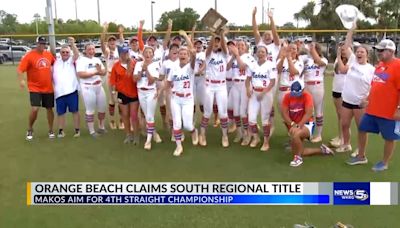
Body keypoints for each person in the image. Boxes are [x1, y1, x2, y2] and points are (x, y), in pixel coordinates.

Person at [347, 39, 400, 171]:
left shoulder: (398, 66)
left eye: (382, 50)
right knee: (362, 129)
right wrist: (367, 98)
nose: (379, 53)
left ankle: (385, 162)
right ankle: (361, 156)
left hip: (389, 112)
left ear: (391, 51)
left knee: (389, 137)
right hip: (372, 109)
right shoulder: (380, 65)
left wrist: (399, 109)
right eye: (378, 50)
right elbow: (375, 85)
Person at [336, 25, 375, 153]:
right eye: (357, 51)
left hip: (360, 103)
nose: (359, 53)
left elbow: (374, 86)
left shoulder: (371, 69)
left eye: (362, 52)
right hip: (347, 100)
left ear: (367, 55)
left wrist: (367, 99)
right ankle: (346, 144)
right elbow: (346, 46)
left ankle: (360, 149)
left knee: (361, 128)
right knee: (344, 124)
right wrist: (351, 30)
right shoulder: (352, 61)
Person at [281, 80, 334, 167]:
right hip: (294, 124)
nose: (295, 96)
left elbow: (308, 113)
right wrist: (292, 124)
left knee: (296, 135)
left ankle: (298, 159)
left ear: (302, 90)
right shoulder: (287, 96)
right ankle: (322, 150)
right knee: (301, 151)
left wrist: (298, 126)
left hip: (307, 124)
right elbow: (284, 113)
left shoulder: (307, 96)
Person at [166, 33, 199, 156]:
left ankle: (194, 131)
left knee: (187, 124)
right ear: (178, 55)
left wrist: (186, 37)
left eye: (185, 54)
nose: (183, 55)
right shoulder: (174, 67)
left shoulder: (190, 67)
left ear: (188, 56)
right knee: (177, 124)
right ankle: (179, 146)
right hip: (176, 98)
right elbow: (168, 82)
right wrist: (160, 92)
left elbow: (193, 57)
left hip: (187, 99)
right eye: (181, 53)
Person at [17, 36, 55, 140]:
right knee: (35, 108)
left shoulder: (48, 55)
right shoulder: (29, 56)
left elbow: (55, 64)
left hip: (48, 87)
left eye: (43, 43)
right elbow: (20, 69)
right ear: (36, 44)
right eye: (40, 43)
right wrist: (21, 80)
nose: (42, 45)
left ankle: (51, 129)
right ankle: (30, 129)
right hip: (35, 87)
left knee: (49, 108)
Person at [199, 30, 229, 147]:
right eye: (215, 42)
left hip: (221, 85)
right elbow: (209, 49)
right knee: (207, 112)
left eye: (218, 42)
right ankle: (202, 134)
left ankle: (225, 136)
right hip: (209, 85)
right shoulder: (208, 54)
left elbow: (225, 48)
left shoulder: (225, 55)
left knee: (223, 112)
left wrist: (221, 34)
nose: (216, 44)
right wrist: (213, 36)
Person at [245, 46, 276, 151]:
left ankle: (266, 142)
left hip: (265, 93)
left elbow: (272, 82)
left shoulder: (270, 65)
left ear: (266, 53)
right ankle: (256, 137)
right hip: (254, 93)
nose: (261, 53)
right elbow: (248, 79)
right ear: (256, 53)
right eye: (259, 52)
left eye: (263, 52)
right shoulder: (252, 65)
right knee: (251, 119)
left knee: (264, 119)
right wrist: (247, 89)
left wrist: (263, 92)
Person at [133, 46, 162, 150]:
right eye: (146, 52)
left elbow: (151, 81)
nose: (148, 54)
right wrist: (141, 69)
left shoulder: (156, 65)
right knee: (146, 115)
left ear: (153, 55)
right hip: (141, 92)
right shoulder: (138, 64)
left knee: (149, 116)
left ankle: (148, 140)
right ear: (143, 54)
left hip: (151, 92)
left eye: (150, 52)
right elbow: (135, 79)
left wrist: (147, 69)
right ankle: (153, 132)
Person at [109, 46, 139, 144]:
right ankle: (128, 134)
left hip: (134, 93)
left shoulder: (134, 63)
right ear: (120, 54)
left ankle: (136, 135)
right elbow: (112, 82)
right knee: (125, 115)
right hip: (122, 94)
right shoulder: (116, 66)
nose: (125, 54)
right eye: (123, 53)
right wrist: (113, 94)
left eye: (127, 52)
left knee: (134, 115)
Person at [76, 43, 107, 137]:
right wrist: (95, 72)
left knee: (102, 108)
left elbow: (103, 72)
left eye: (93, 49)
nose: (91, 51)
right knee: (90, 110)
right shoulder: (81, 60)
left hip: (98, 86)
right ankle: (92, 130)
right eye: (89, 49)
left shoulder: (97, 59)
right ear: (85, 50)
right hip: (88, 87)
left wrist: (100, 71)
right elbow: (81, 74)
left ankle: (101, 127)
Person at [227, 40, 255, 145]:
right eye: (238, 45)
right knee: (236, 112)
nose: (240, 46)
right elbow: (228, 67)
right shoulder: (234, 57)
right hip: (235, 84)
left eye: (242, 45)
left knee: (244, 112)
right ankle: (239, 133)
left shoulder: (249, 57)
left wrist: (237, 55)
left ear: (246, 47)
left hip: (245, 85)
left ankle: (248, 134)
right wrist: (234, 57)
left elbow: (242, 67)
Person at [52, 37, 80, 138]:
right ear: (60, 53)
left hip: (71, 91)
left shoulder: (72, 60)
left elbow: (76, 54)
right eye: (63, 52)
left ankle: (77, 130)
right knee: (60, 113)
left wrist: (72, 44)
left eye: (67, 52)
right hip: (59, 92)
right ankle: (61, 130)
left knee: (75, 111)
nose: (65, 54)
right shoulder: (56, 62)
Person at [302, 42, 328, 143]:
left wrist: (312, 50)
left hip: (317, 86)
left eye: (312, 47)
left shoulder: (323, 59)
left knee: (318, 111)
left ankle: (319, 134)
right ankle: (308, 133)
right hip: (306, 85)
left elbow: (319, 62)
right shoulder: (306, 60)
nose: (310, 48)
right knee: (308, 111)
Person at [100, 23, 122, 130]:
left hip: (121, 77)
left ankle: (122, 121)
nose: (112, 42)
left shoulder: (119, 50)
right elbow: (101, 43)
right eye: (110, 41)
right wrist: (104, 30)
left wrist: (121, 32)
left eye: (114, 40)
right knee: (113, 99)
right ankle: (112, 121)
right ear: (108, 43)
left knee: (121, 98)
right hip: (111, 76)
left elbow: (122, 42)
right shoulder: (107, 51)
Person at [331, 42, 351, 148]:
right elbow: (337, 72)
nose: (342, 51)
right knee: (339, 116)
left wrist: (338, 56)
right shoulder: (337, 59)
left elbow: (343, 71)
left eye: (344, 49)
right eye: (341, 49)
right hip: (336, 90)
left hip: (344, 91)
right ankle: (340, 136)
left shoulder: (351, 61)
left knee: (344, 117)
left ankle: (344, 139)